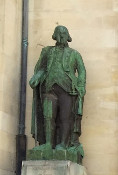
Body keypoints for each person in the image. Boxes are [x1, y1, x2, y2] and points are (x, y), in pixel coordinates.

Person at [29, 26, 86, 154]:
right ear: (54, 35)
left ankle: (63, 144)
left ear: (68, 36)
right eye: (59, 33)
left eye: (64, 33)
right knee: (48, 116)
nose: (61, 35)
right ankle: (48, 143)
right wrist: (36, 77)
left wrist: (81, 86)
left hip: (67, 88)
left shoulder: (74, 54)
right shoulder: (47, 52)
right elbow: (41, 68)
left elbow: (81, 71)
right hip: (49, 87)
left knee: (65, 117)